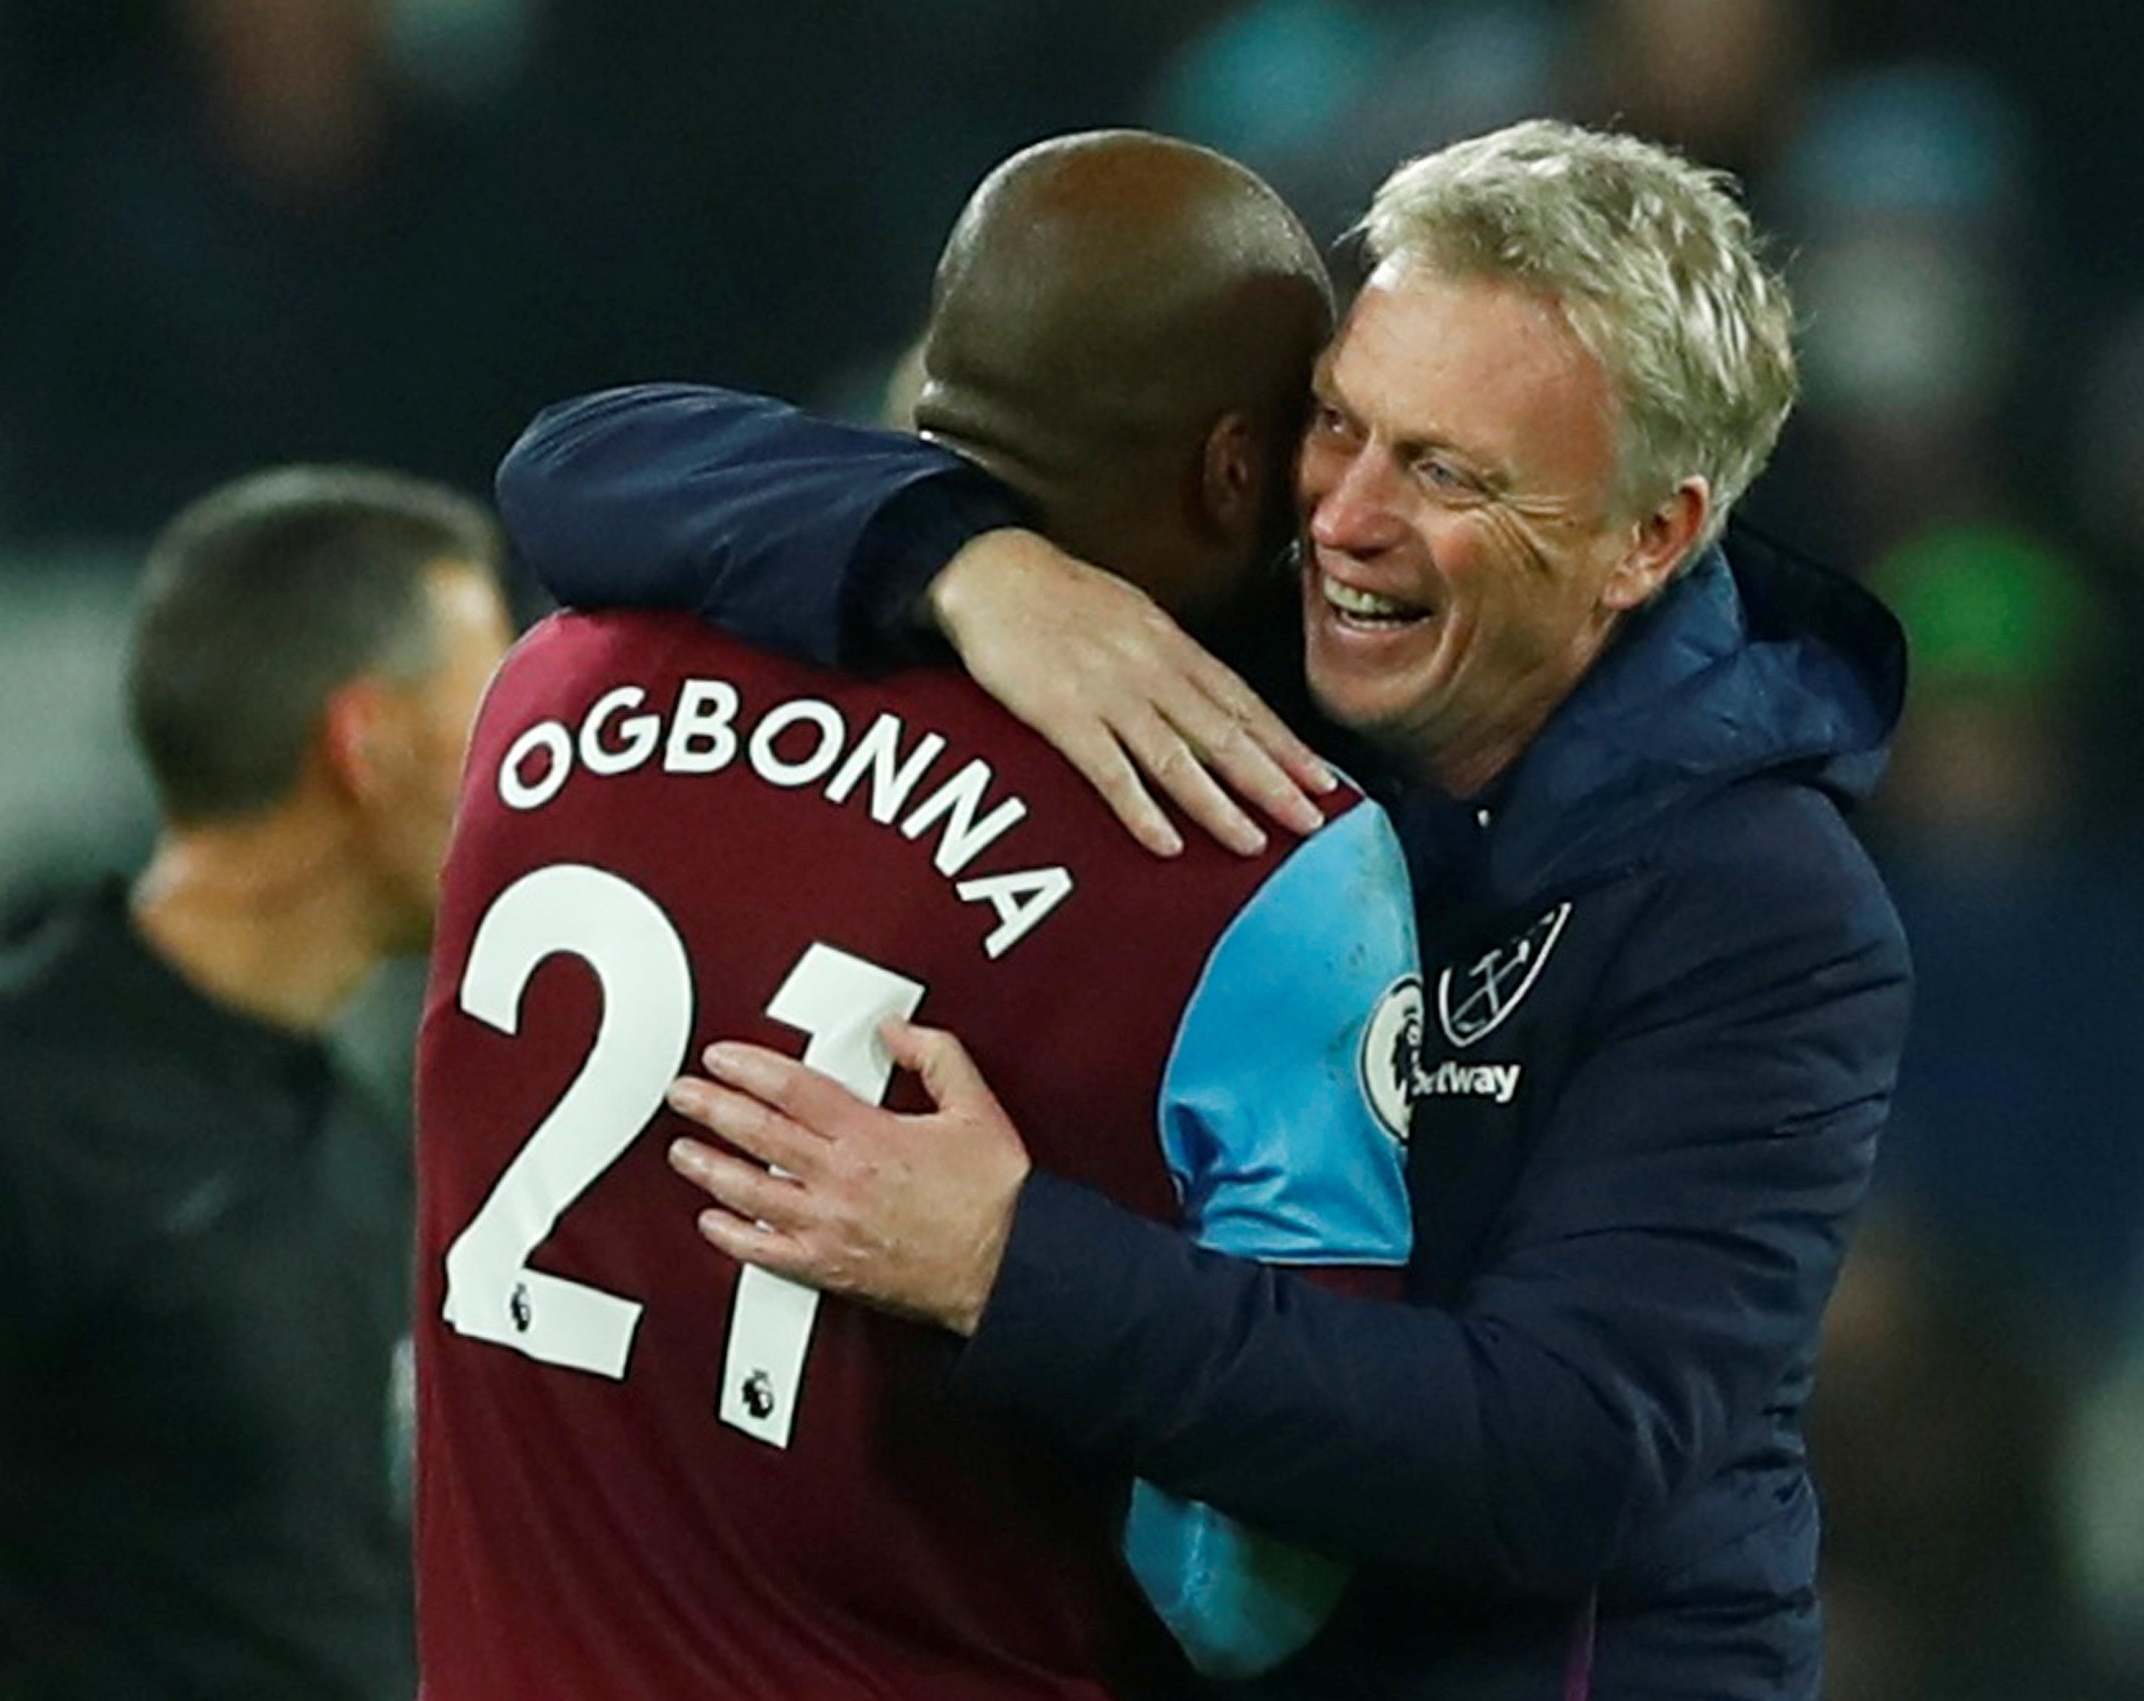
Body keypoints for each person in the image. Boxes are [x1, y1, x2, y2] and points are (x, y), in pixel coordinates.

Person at [496, 120, 1912, 1699]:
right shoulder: (1258, 642)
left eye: (1446, 471)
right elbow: (579, 467)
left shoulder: (1760, 912)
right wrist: (965, 566)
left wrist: (1005, 1261)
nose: (1345, 516)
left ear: (1649, 537)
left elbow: (1557, 1451)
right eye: (1337, 424)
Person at [413, 131, 1417, 1701]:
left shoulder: (551, 685)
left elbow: (571, 459)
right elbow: (1246, 1589)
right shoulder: (1263, 856)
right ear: (1237, 469)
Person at [0, 467, 512, 1698]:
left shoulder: (349, 1128)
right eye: (496, 721)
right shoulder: (33, 1113)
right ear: (365, 744)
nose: (526, 779)